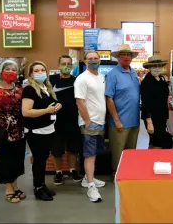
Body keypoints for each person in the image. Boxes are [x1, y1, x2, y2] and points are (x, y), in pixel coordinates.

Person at [0, 60, 26, 203]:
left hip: (18, 131)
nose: (11, 71)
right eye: (8, 69)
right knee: (4, 161)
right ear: (1, 71)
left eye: (14, 69)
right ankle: (9, 189)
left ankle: (15, 186)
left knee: (17, 160)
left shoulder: (19, 89)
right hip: (0, 132)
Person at [22, 61, 62, 201]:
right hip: (36, 132)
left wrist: (57, 105)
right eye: (36, 71)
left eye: (42, 70)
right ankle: (38, 188)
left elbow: (49, 104)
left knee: (43, 159)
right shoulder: (29, 89)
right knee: (38, 160)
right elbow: (26, 112)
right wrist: (47, 110)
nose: (40, 73)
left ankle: (42, 184)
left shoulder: (45, 87)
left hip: (48, 130)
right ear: (31, 74)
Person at [75, 50, 106, 203]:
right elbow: (79, 102)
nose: (93, 60)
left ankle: (88, 179)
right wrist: (87, 121)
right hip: (90, 122)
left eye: (96, 58)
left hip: (100, 121)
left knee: (94, 152)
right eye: (90, 59)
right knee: (89, 154)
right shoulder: (82, 79)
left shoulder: (101, 77)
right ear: (85, 61)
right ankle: (91, 187)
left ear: (100, 60)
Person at [106, 44, 140, 172]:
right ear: (118, 57)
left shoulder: (134, 72)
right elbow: (109, 98)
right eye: (123, 55)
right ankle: (117, 178)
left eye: (128, 55)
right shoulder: (112, 74)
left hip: (134, 121)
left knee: (131, 152)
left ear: (132, 57)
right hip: (119, 123)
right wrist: (116, 120)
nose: (126, 57)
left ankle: (128, 176)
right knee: (118, 153)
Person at [49, 55, 83, 186]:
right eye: (63, 63)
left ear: (72, 66)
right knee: (57, 150)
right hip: (56, 122)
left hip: (74, 120)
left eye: (69, 64)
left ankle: (72, 170)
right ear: (58, 65)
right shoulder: (51, 80)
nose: (66, 66)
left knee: (74, 149)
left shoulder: (77, 80)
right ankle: (58, 172)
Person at [141, 56, 170, 149]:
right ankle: (154, 161)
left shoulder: (162, 79)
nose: (157, 68)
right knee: (156, 143)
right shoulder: (146, 82)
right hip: (152, 118)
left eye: (159, 66)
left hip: (162, 116)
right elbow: (145, 103)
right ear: (149, 68)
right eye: (154, 66)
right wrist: (149, 122)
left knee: (160, 142)